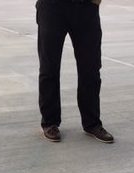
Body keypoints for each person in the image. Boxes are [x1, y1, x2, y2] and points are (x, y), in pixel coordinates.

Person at [36, 0, 114, 143]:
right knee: (49, 67)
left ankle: (92, 123)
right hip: (52, 7)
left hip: (86, 7)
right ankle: (49, 122)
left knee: (91, 68)